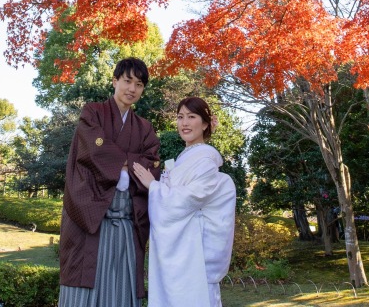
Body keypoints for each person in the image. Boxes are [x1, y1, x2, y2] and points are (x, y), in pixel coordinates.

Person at [59, 57, 161, 306]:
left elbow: (152, 166)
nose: (132, 89)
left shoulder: (145, 128)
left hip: (126, 224)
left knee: (121, 290)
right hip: (91, 220)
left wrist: (118, 160)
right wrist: (132, 161)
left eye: (139, 84)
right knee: (84, 286)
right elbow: (93, 151)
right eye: (127, 81)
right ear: (115, 81)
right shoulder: (92, 112)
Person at [133, 96, 236, 307]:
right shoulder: (185, 158)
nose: (184, 123)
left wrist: (153, 186)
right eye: (180, 117)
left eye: (191, 116)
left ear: (205, 124)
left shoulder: (205, 161)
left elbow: (187, 199)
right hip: (184, 249)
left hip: (193, 252)